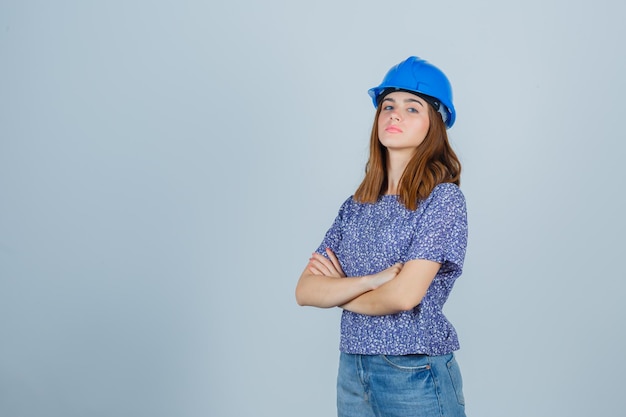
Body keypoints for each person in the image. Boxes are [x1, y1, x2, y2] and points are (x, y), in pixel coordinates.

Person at [295, 56, 468, 417]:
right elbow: (306, 290)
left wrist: (340, 293)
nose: (394, 114)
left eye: (412, 107)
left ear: (434, 124)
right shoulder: (355, 206)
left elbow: (405, 296)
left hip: (413, 371)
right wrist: (372, 281)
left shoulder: (442, 199)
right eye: (387, 105)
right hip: (353, 371)